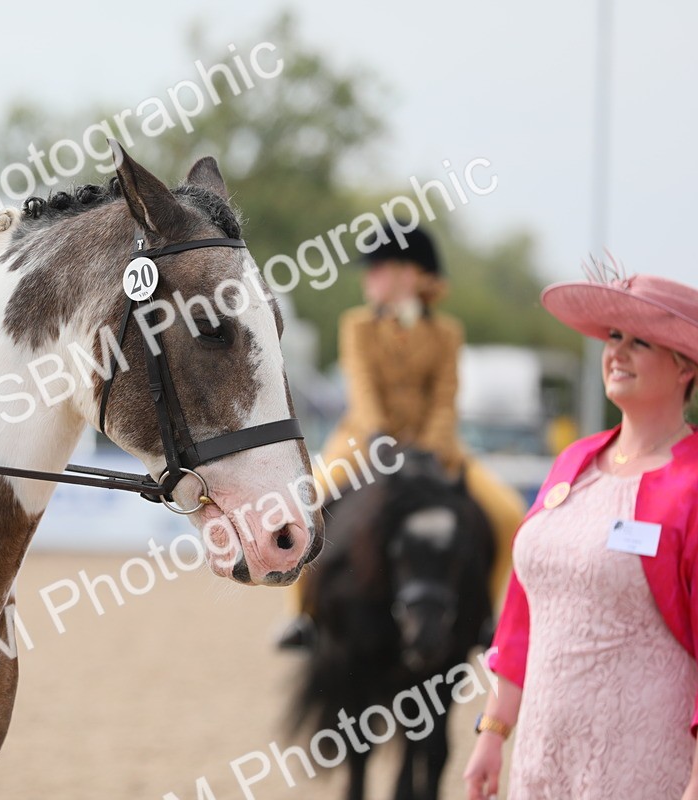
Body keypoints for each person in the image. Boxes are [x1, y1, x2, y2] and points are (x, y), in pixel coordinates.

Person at [463, 270, 698, 800]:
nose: (618, 352)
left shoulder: (693, 484)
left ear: (685, 365)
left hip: (643, 763)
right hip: (541, 755)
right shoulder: (574, 461)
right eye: (614, 337)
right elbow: (523, 609)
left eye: (641, 342)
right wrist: (495, 732)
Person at [277, 224, 527, 647]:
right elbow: (363, 386)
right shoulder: (356, 324)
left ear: (411, 274)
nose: (369, 277)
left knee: (507, 512)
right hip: (362, 440)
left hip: (436, 445)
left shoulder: (447, 332)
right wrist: (377, 436)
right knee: (307, 504)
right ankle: (304, 614)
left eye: (379, 268)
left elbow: (446, 396)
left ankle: (488, 613)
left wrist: (429, 446)